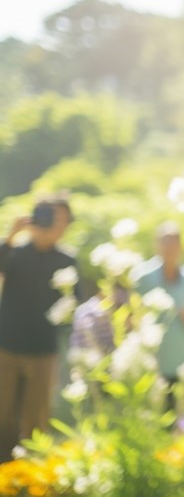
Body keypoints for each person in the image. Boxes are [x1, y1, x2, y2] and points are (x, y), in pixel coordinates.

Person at [0, 196, 79, 462]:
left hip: (43, 351)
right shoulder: (15, 252)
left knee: (37, 421)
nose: (51, 224)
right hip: (6, 347)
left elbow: (73, 306)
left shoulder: (67, 260)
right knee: (2, 416)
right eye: (46, 216)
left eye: (58, 219)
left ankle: (31, 477)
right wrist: (10, 237)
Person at [131, 222, 184, 407]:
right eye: (165, 242)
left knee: (177, 414)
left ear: (181, 246)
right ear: (157, 245)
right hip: (148, 360)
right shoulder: (141, 276)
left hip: (179, 359)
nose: (169, 247)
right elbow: (130, 315)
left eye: (174, 242)